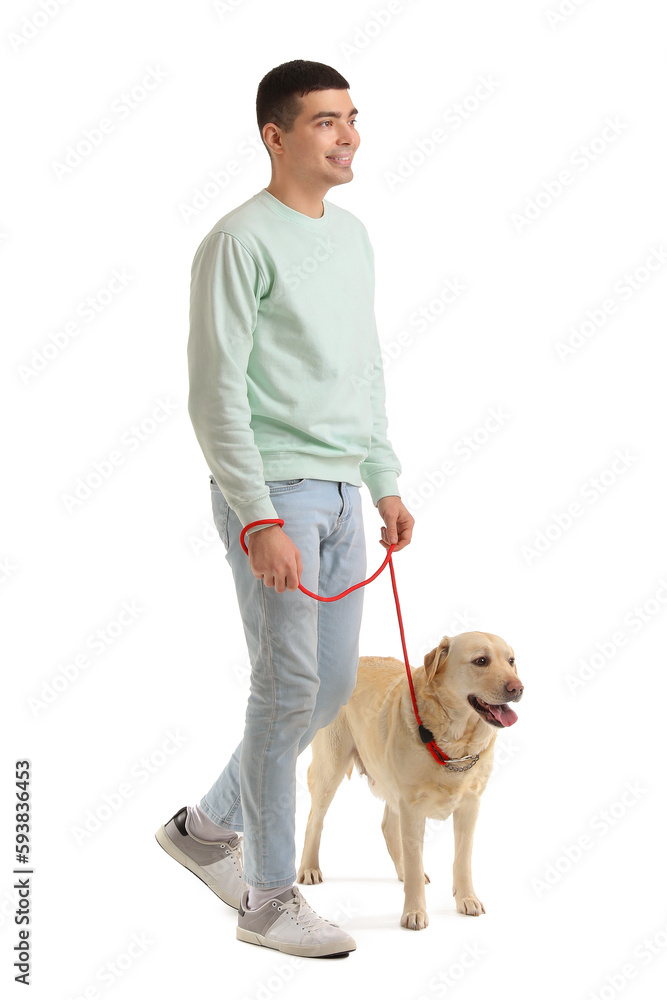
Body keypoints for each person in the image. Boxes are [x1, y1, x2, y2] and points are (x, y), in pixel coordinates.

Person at [156, 59, 414, 959]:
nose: (346, 135)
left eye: (351, 118)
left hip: (344, 490)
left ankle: (202, 830)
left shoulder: (351, 239)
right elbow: (213, 390)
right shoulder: (238, 240)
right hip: (275, 490)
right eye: (323, 122)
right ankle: (266, 900)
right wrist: (257, 515)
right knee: (287, 689)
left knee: (329, 687)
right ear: (275, 136)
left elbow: (364, 367)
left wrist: (380, 476)